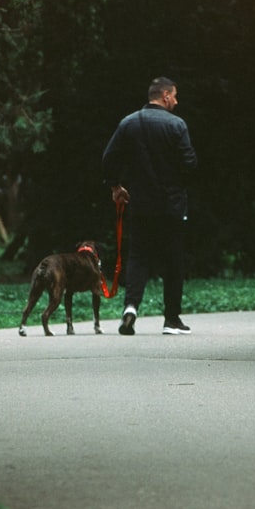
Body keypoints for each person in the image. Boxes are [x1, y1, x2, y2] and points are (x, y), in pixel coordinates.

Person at [102, 76, 197, 335]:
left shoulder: (128, 123)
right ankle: (171, 319)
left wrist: (115, 187)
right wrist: (179, 184)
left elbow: (109, 157)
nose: (176, 101)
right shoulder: (177, 125)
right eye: (175, 96)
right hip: (172, 206)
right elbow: (190, 164)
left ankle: (131, 307)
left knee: (138, 257)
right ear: (165, 95)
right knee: (173, 261)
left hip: (140, 204)